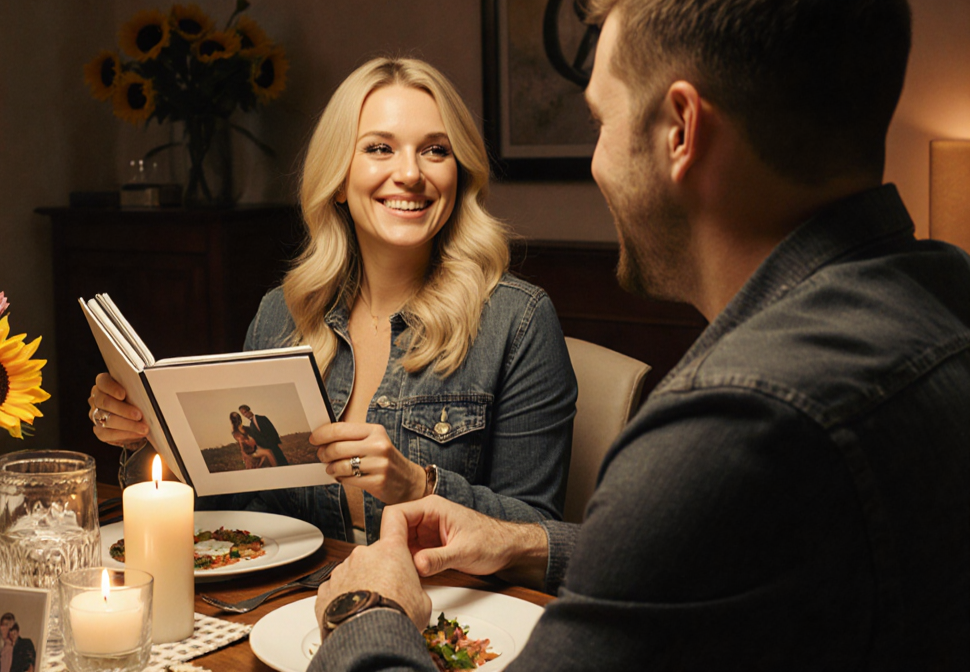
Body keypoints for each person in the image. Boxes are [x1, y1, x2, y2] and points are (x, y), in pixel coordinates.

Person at [307, 0, 970, 668]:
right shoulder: (946, 301)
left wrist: (367, 608)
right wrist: (528, 544)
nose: (596, 159)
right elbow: (718, 565)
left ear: (680, 129)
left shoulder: (735, 426)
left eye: (599, 119)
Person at [89, 57, 577, 543]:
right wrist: (151, 438)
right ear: (339, 179)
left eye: (435, 150)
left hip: (444, 603)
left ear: (459, 174)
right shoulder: (280, 314)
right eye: (380, 148)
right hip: (290, 599)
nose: (409, 173)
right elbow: (236, 506)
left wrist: (418, 486)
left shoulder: (517, 321)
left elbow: (536, 532)